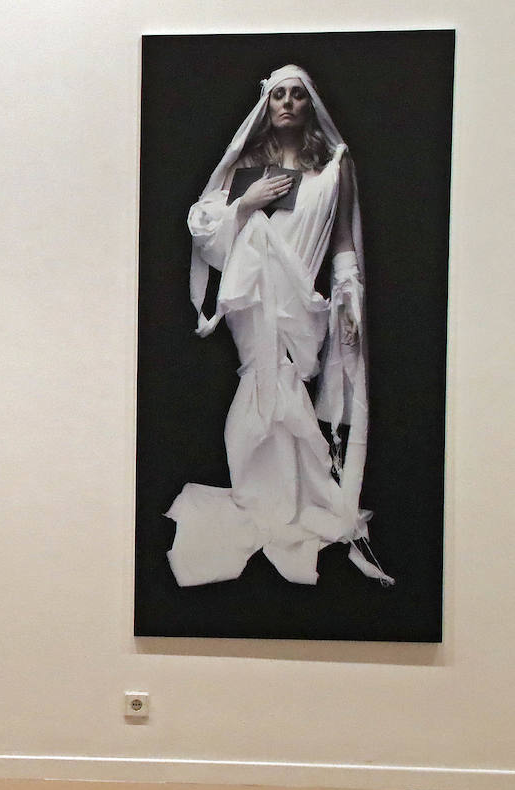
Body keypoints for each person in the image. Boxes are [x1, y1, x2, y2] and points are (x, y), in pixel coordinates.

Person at [166, 64, 392, 587]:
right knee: (262, 379)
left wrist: (348, 300)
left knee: (290, 380)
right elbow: (210, 234)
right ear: (267, 106)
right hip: (254, 295)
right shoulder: (248, 164)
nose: (287, 102)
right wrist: (246, 203)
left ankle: (291, 499)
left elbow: (339, 241)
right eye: (278, 95)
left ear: (310, 105)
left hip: (300, 296)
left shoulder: (333, 166)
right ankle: (261, 495)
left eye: (297, 95)